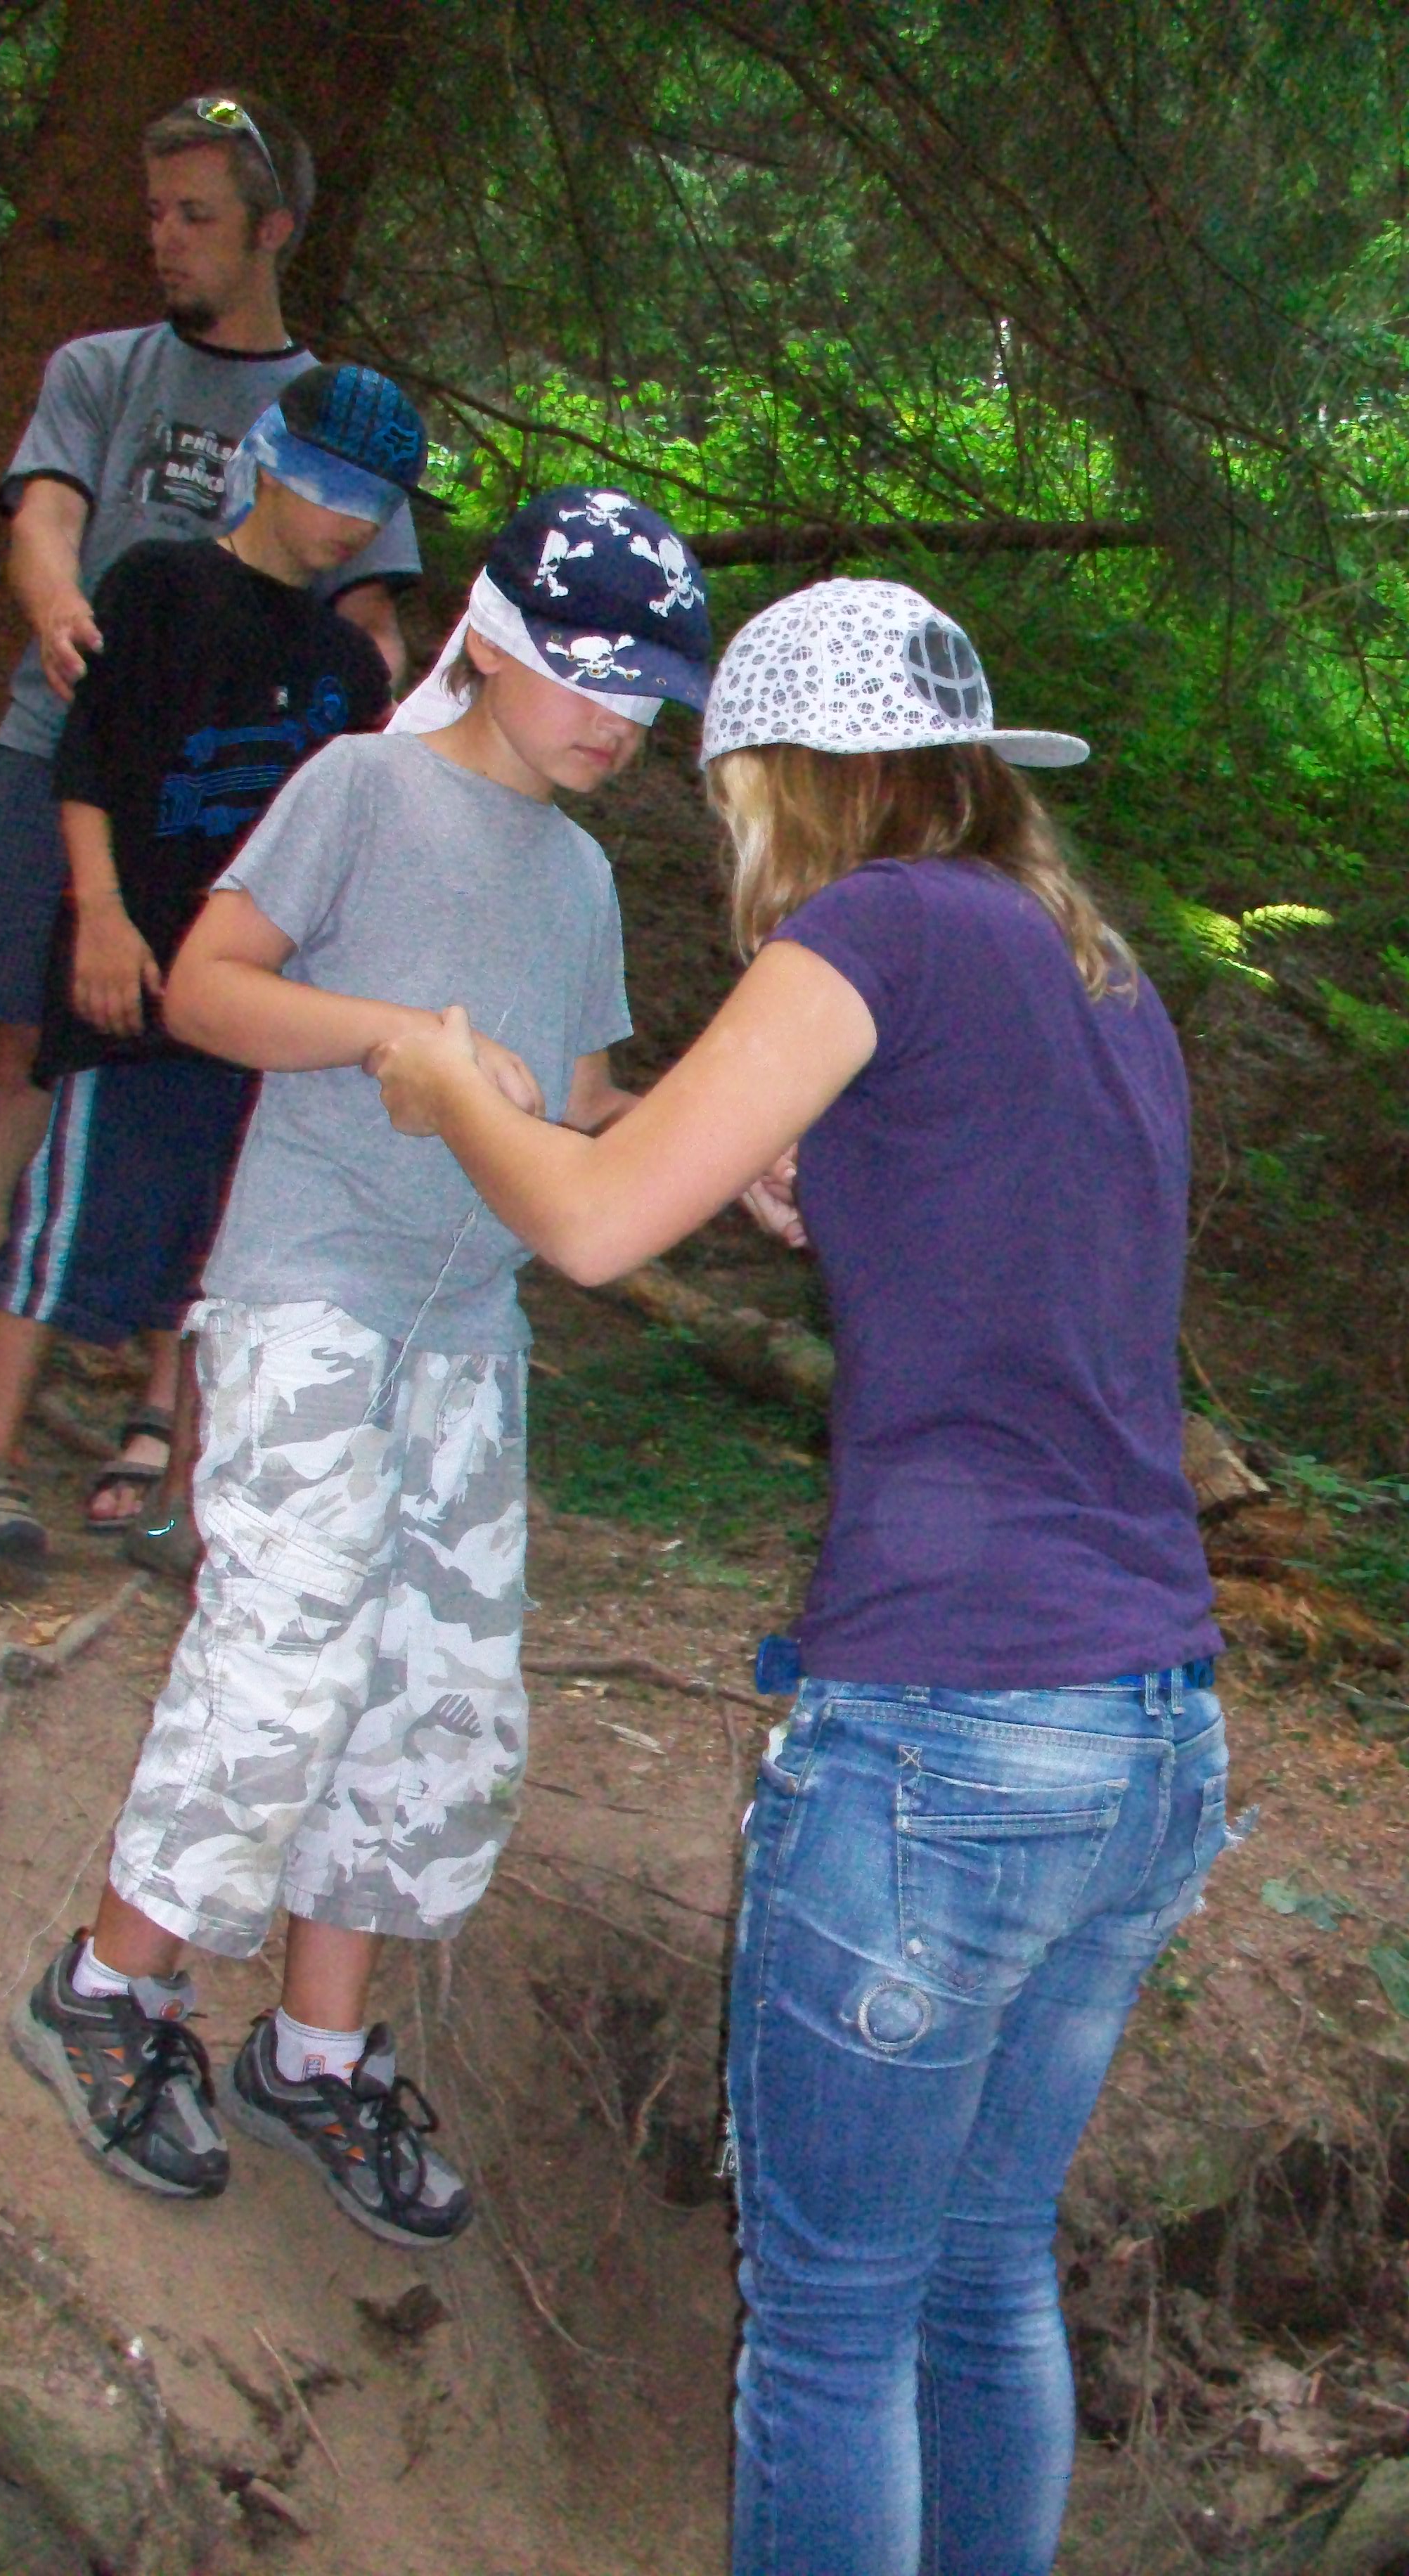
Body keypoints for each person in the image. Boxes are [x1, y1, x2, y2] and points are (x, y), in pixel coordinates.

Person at [361, 578, 1235, 2572]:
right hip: (1146, 1732)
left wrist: (452, 1093)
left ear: (784, 780)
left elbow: (593, 1221)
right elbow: (989, 1229)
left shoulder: (871, 928)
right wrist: (802, 1174)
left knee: (833, 2325)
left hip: (946, 1730)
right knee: (979, 2274)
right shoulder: (1086, 965)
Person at [10, 487, 713, 2248]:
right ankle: (108, 1983)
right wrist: (398, 1034)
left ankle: (317, 2050)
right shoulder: (358, 786)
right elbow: (206, 989)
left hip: (470, 1330)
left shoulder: (578, 875)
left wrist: (731, 1147)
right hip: (313, 1291)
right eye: (588, 675)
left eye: (645, 693)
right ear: (490, 635)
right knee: (286, 1643)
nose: (616, 719)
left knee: (436, 1693)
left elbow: (579, 1097)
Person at [0, 89, 419, 1519]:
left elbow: (372, 619)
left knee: (214, 1096)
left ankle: (159, 1424)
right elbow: (45, 513)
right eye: (156, 211)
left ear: (271, 231)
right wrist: (59, 607)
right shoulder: (101, 369)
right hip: (69, 756)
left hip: (229, 813)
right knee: (19, 1059)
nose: (165, 237)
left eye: (197, 215)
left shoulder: (330, 413)